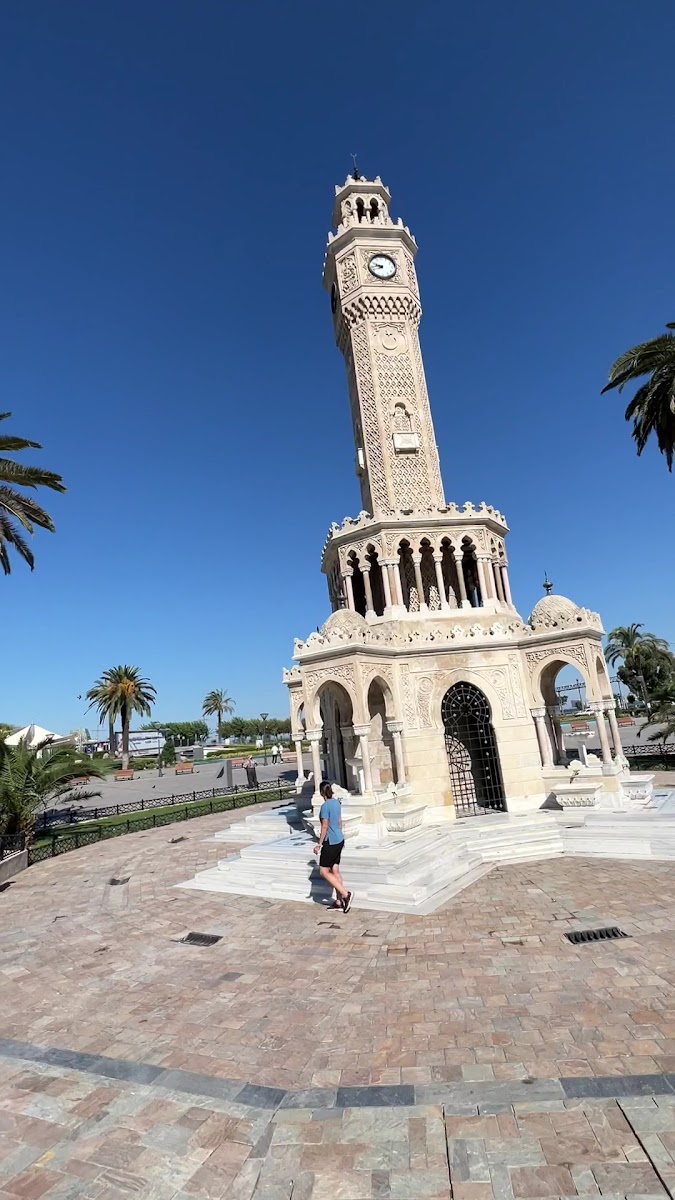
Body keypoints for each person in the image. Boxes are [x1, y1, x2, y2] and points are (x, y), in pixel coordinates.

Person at [313, 781, 353, 912]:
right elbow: (340, 821)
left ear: (321, 792)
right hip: (339, 839)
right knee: (335, 870)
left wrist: (319, 844)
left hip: (330, 842)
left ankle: (346, 895)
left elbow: (324, 826)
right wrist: (339, 836)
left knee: (324, 871)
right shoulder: (336, 803)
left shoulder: (325, 806)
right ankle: (338, 901)